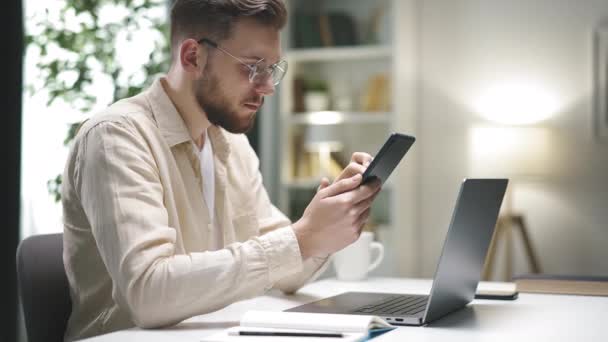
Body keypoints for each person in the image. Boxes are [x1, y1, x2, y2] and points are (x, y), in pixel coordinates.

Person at [61, 0, 381, 340]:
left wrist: (325, 227)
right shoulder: (116, 137)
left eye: (272, 69)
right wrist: (301, 238)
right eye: (252, 67)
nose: (268, 87)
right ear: (192, 57)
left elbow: (286, 270)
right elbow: (148, 294)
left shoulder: (231, 144)